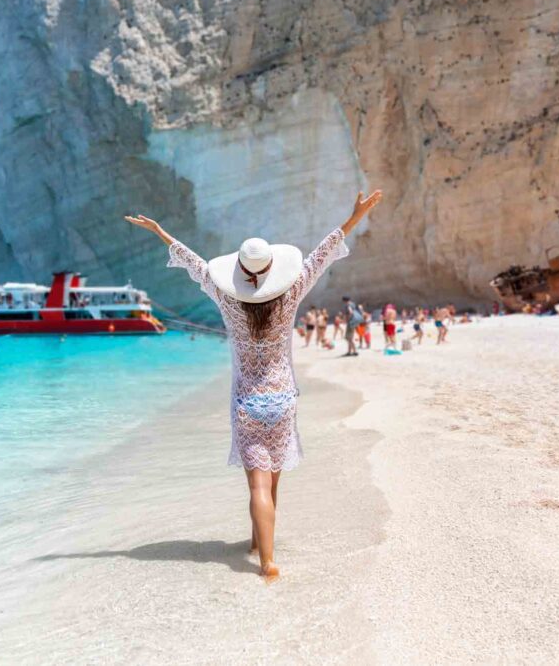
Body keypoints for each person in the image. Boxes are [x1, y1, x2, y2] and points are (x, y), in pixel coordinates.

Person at [124, 189, 382, 580]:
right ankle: (260, 544)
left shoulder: (228, 302)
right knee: (272, 481)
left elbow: (196, 266)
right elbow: (321, 256)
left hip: (247, 404)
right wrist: (353, 217)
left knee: (257, 487)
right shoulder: (291, 294)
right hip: (282, 401)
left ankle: (267, 562)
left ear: (241, 272)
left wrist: (161, 232)